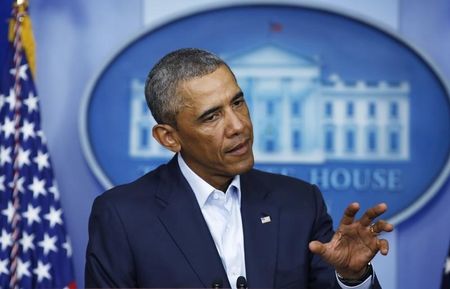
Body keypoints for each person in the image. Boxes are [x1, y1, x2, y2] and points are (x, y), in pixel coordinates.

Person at [85, 48, 393, 289]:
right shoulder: (122, 216)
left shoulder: (300, 202)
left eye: (238, 103)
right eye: (211, 117)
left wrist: (352, 278)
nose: (238, 125)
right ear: (169, 137)